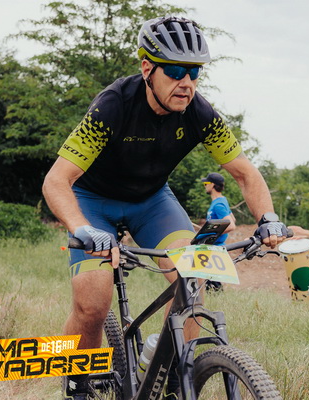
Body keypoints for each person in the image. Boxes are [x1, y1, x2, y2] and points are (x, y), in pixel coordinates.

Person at [42, 16, 287, 399]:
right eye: (174, 71)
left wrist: (268, 218)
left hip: (152, 202)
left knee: (192, 280)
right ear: (147, 69)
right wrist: (81, 227)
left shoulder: (200, 113)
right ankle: (76, 383)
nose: (186, 82)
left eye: (194, 72)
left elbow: (244, 172)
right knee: (93, 303)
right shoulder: (114, 105)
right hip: (93, 202)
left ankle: (173, 377)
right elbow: (56, 180)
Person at [200, 172, 236, 292]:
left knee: (212, 283)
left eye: (206, 183)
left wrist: (211, 234)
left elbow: (231, 225)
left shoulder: (218, 204)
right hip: (213, 247)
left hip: (214, 248)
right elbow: (233, 218)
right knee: (211, 281)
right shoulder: (222, 200)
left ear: (213, 185)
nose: (205, 186)